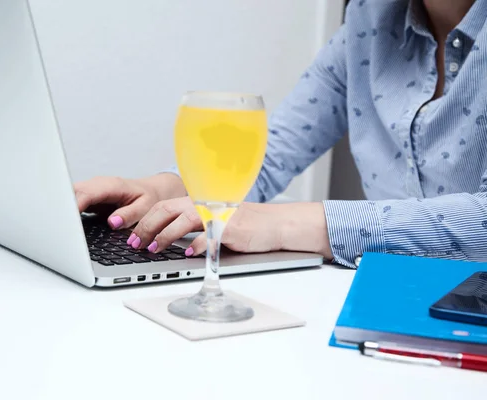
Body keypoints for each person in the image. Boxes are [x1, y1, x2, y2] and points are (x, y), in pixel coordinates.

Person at [74, 0, 487, 268]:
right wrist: (163, 189)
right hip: (384, 297)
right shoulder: (371, 18)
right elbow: (272, 150)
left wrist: (292, 224)